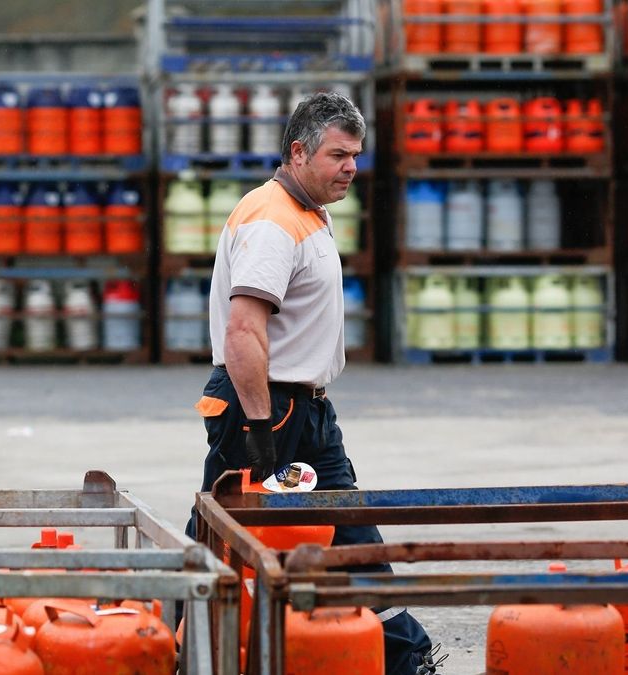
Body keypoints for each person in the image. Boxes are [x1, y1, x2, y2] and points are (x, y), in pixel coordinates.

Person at [187, 91, 443, 675]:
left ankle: (404, 655)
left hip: (303, 406)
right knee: (224, 538)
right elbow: (244, 332)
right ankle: (180, 649)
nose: (350, 166)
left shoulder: (307, 212)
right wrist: (258, 430)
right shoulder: (273, 221)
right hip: (267, 406)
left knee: (347, 530)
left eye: (355, 154)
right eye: (338, 155)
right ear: (298, 152)